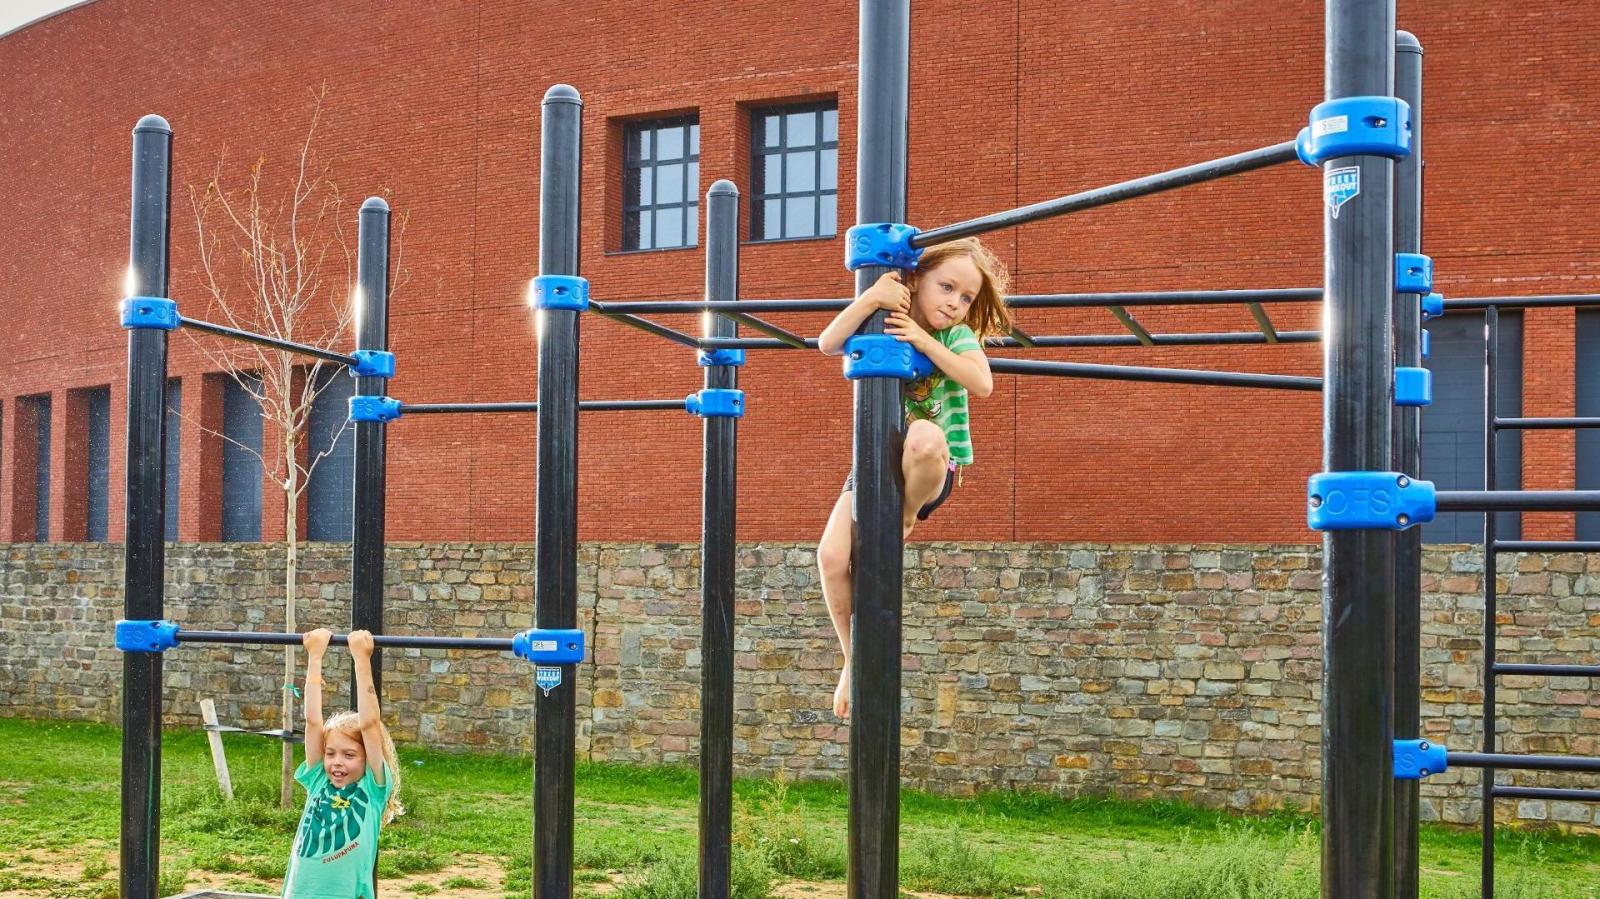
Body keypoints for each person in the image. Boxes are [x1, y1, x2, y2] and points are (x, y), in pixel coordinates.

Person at [816, 236, 1013, 719]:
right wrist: (871, 299)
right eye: (947, 287)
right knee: (832, 556)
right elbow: (827, 343)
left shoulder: (956, 336)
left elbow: (982, 383)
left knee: (924, 433)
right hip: (874, 465)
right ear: (917, 279)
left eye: (967, 297)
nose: (955, 303)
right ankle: (852, 657)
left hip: (929, 469)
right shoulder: (885, 316)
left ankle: (901, 520)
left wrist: (922, 340)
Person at [283, 629, 402, 899]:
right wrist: (314, 657)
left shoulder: (373, 790)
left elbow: (370, 723)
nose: (337, 762)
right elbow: (313, 721)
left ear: (366, 757)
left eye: (349, 755)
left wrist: (361, 659)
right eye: (331, 753)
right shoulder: (318, 781)